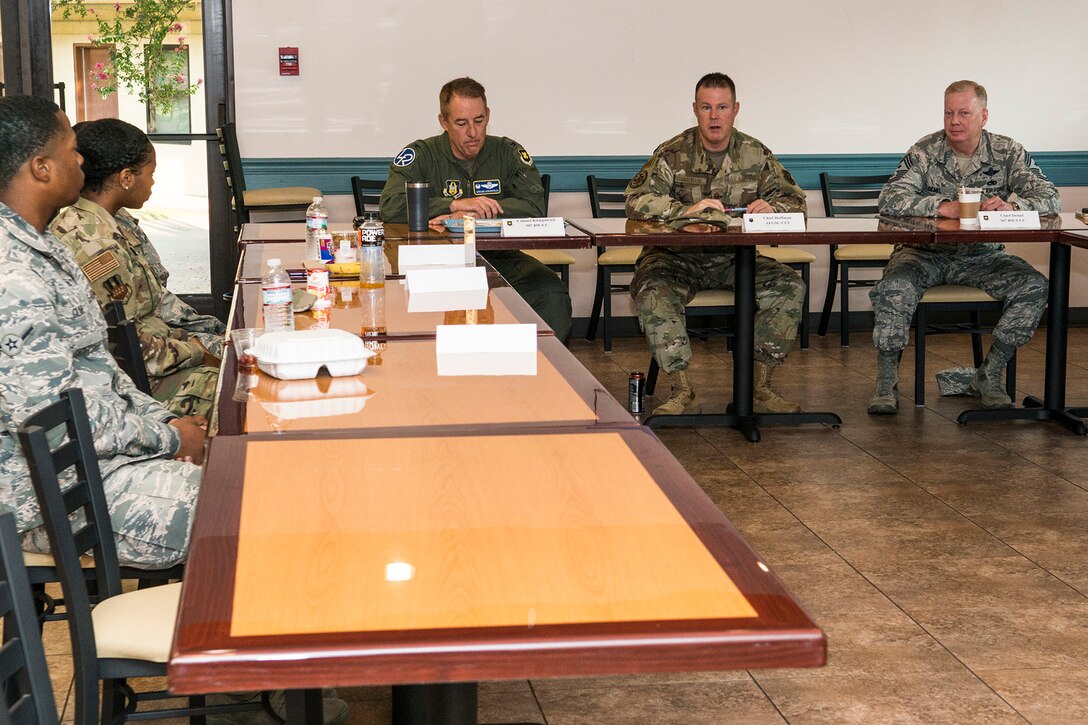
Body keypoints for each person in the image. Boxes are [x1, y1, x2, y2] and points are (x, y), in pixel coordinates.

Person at [0, 95, 203, 568]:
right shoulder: (13, 277)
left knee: (248, 480)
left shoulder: (42, 245)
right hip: (50, 495)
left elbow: (103, 371)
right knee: (243, 511)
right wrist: (170, 441)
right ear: (42, 168)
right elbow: (56, 424)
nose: (82, 160)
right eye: (72, 149)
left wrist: (166, 423)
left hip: (105, 463)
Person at [871, 80, 1059, 414]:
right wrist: (942, 206)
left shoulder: (1007, 151)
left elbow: (1049, 196)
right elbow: (889, 199)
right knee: (893, 288)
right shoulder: (925, 150)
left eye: (963, 113)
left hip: (982, 255)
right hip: (922, 254)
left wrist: (1013, 207)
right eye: (948, 113)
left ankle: (989, 373)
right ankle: (886, 382)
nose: (954, 121)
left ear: (983, 116)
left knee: (1034, 286)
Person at [626, 72, 807, 416]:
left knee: (789, 285)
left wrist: (773, 207)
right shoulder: (674, 153)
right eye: (706, 107)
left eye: (722, 107)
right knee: (652, 292)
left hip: (734, 259)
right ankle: (681, 389)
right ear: (694, 109)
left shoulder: (755, 153)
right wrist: (685, 210)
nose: (714, 116)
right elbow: (636, 199)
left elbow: (795, 201)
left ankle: (760, 385)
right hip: (674, 259)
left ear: (735, 109)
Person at [50, 118, 224, 419]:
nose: (153, 182)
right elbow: (127, 345)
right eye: (150, 174)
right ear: (127, 177)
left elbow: (154, 306)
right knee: (240, 393)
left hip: (163, 353)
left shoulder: (116, 221)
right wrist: (199, 351)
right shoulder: (93, 241)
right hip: (139, 383)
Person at [379, 76, 573, 342]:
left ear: (488, 115)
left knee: (550, 292)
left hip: (499, 260)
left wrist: (479, 211)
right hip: (435, 263)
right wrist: (453, 204)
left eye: (479, 121)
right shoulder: (421, 156)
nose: (473, 132)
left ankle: (541, 374)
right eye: (461, 123)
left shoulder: (507, 152)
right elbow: (390, 206)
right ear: (443, 122)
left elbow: (533, 206)